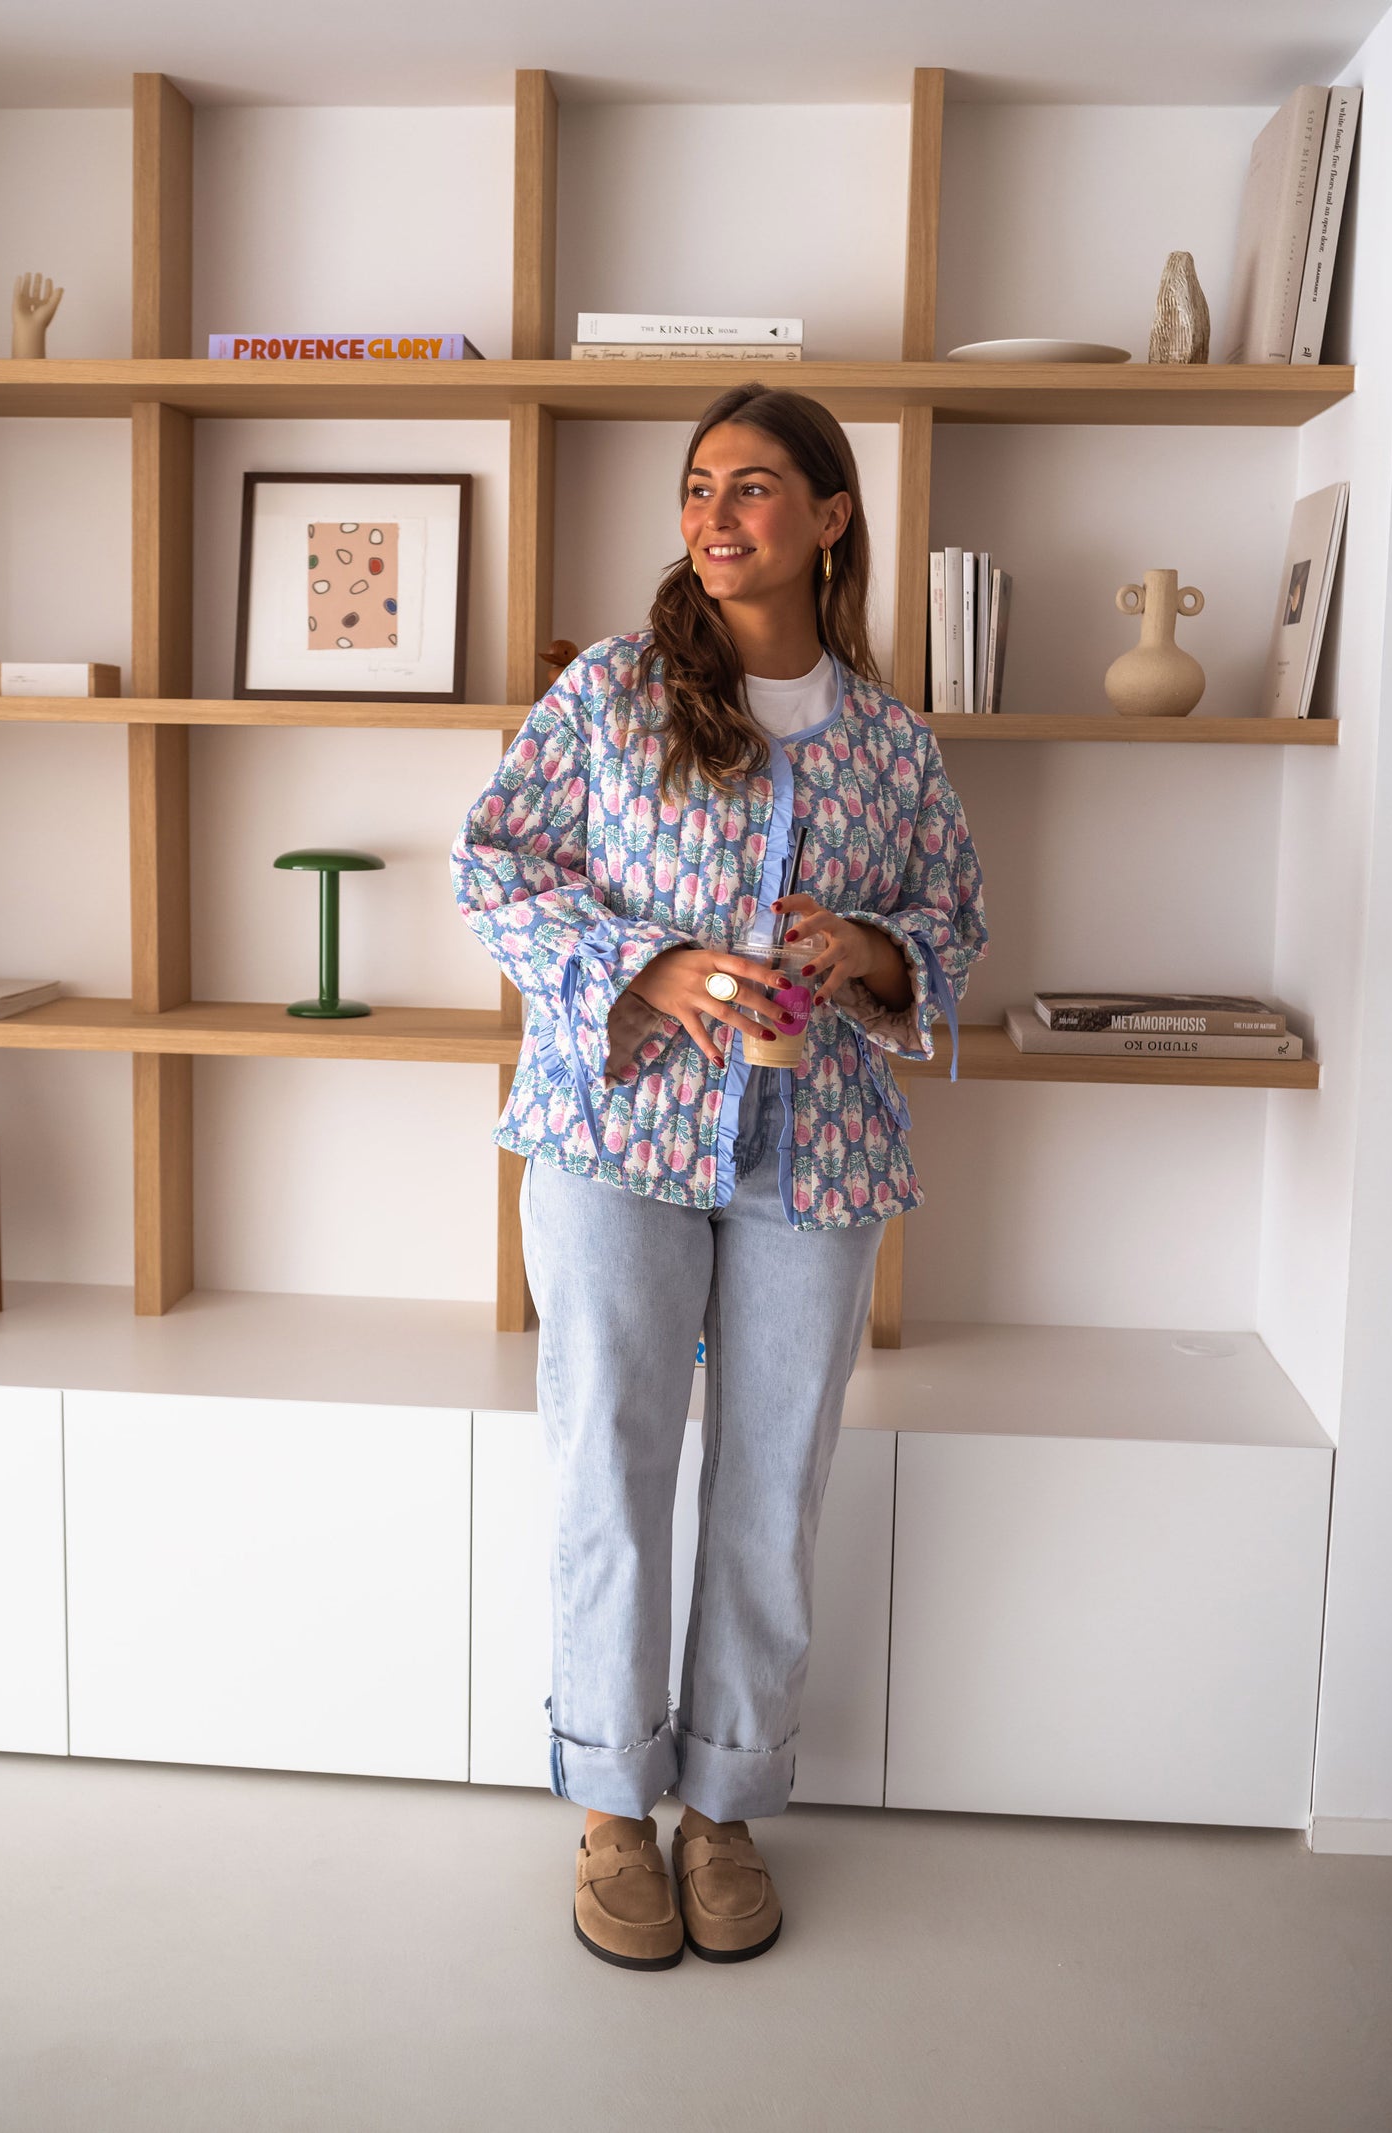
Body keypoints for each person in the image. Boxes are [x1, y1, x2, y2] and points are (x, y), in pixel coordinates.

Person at [450, 381, 987, 1970]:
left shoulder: (891, 743)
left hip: (811, 1156)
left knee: (771, 1482)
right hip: (613, 1134)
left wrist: (869, 949)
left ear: (828, 519)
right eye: (697, 485)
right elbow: (494, 864)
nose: (714, 512)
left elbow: (950, 924)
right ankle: (613, 1800)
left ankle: (727, 1801)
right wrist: (656, 964)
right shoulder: (611, 691)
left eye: (752, 485)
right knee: (609, 1459)